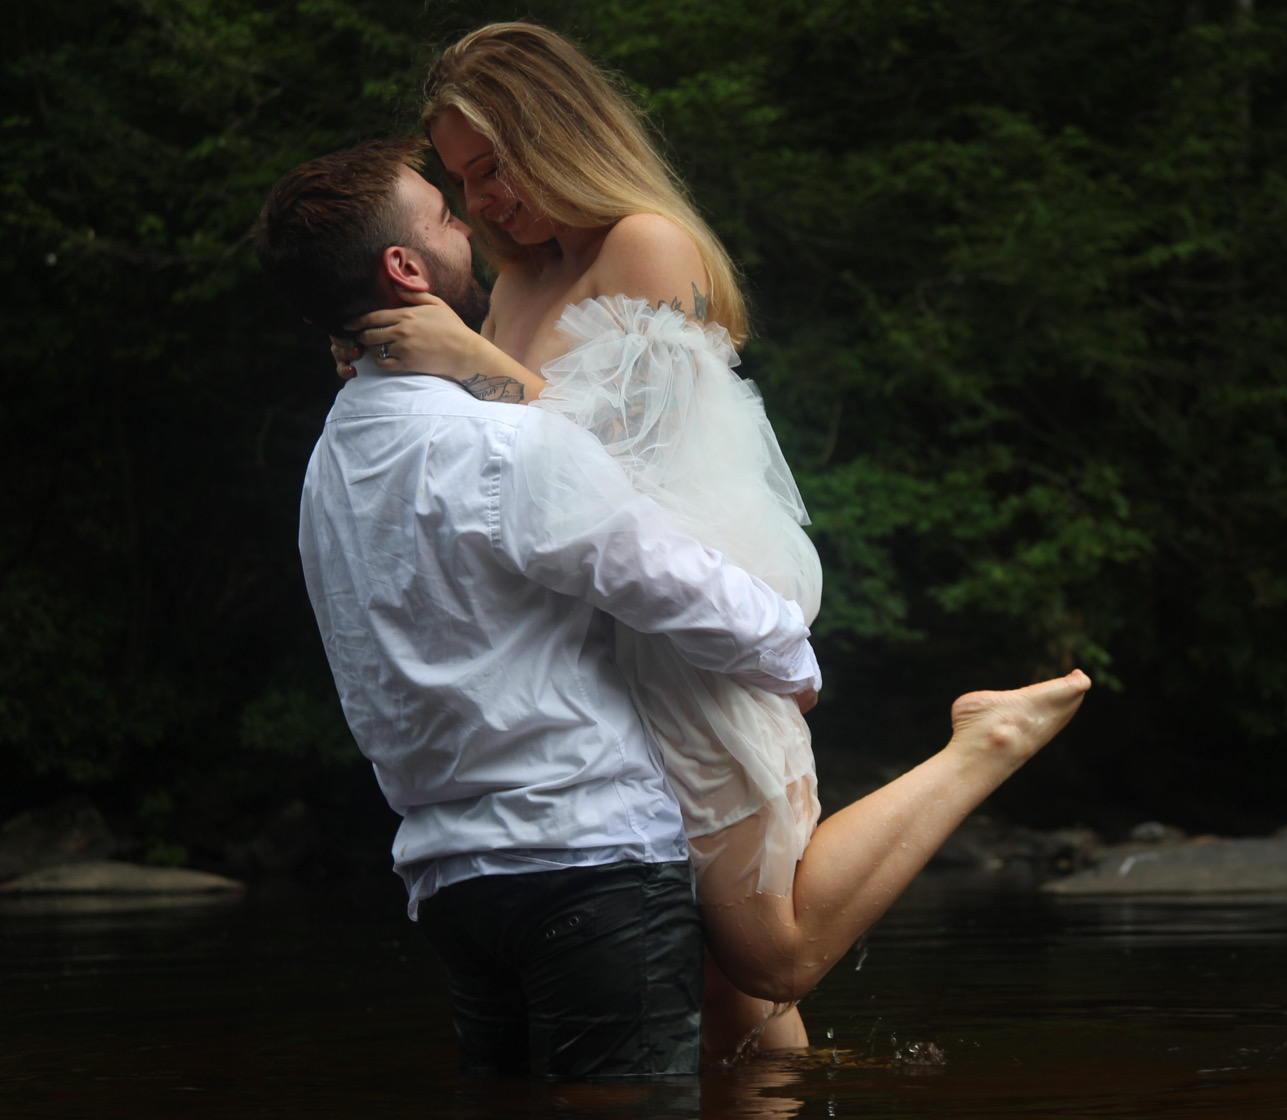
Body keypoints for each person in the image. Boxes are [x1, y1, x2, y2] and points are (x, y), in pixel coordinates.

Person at [332, 21, 1092, 1057]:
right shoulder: (513, 283)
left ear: (558, 133)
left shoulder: (648, 245)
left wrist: (469, 360)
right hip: (588, 665)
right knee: (732, 1008)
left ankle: (981, 743)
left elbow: (611, 477)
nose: (483, 202)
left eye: (495, 167)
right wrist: (391, 363)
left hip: (685, 643)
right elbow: (490, 464)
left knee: (768, 952)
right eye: (463, 181)